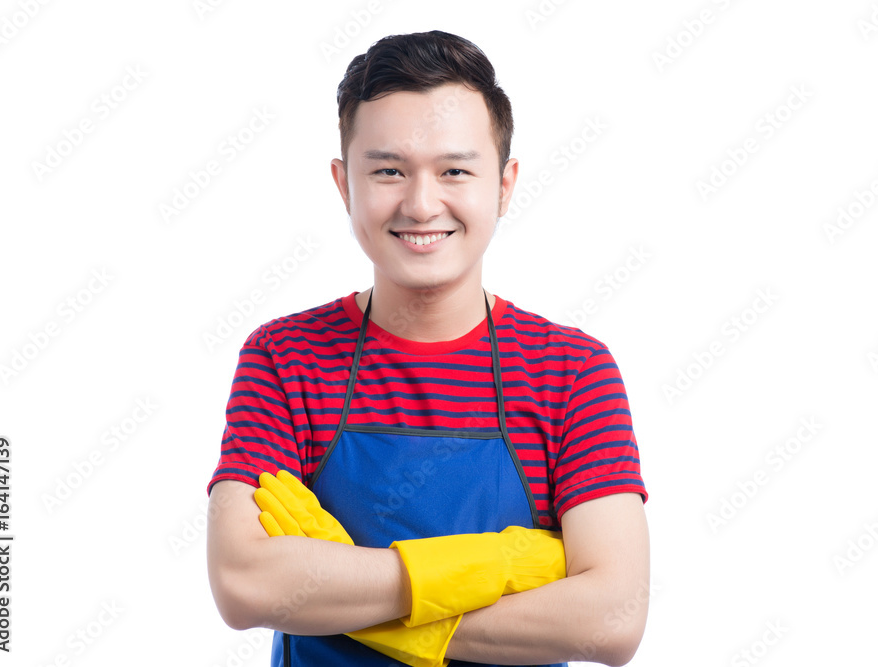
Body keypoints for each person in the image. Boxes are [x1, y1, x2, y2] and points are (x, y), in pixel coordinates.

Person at [206, 30, 650, 667]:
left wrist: (352, 598)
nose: (420, 204)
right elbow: (245, 584)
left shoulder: (571, 371)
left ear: (503, 184)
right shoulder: (285, 357)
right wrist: (494, 564)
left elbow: (612, 619)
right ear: (343, 184)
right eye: (388, 171)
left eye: (455, 171)